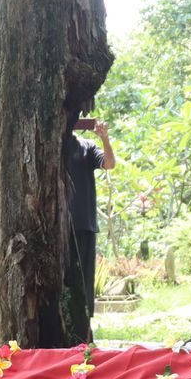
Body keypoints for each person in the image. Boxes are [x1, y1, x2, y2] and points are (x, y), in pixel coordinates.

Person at [66, 118, 115, 316]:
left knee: (84, 279)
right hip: (57, 225)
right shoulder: (50, 147)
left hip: (84, 222)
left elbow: (109, 163)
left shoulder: (87, 146)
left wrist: (105, 138)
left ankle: (84, 320)